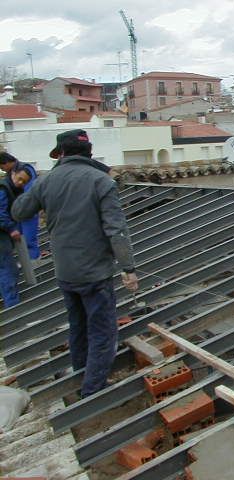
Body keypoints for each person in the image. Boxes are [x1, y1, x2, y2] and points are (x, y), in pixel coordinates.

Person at [12, 129, 139, 398]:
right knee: (102, 331)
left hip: (65, 271)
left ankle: (81, 372)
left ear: (62, 154)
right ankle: (93, 389)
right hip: (95, 272)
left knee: (78, 325)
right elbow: (116, 230)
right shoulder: (100, 181)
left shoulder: (47, 181)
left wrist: (19, 184)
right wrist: (128, 268)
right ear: (89, 154)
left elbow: (19, 211)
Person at [0, 165, 32, 308]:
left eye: (24, 182)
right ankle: (12, 306)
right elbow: (1, 213)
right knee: (8, 268)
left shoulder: (12, 189)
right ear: (13, 173)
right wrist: (12, 229)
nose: (20, 183)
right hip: (2, 234)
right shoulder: (3, 189)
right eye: (19, 179)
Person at [0, 152, 40, 260]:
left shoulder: (24, 169)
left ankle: (33, 264)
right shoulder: (11, 173)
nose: (2, 169)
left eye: (2, 166)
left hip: (28, 211)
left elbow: (30, 192)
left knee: (28, 241)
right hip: (19, 212)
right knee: (22, 242)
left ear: (7, 162)